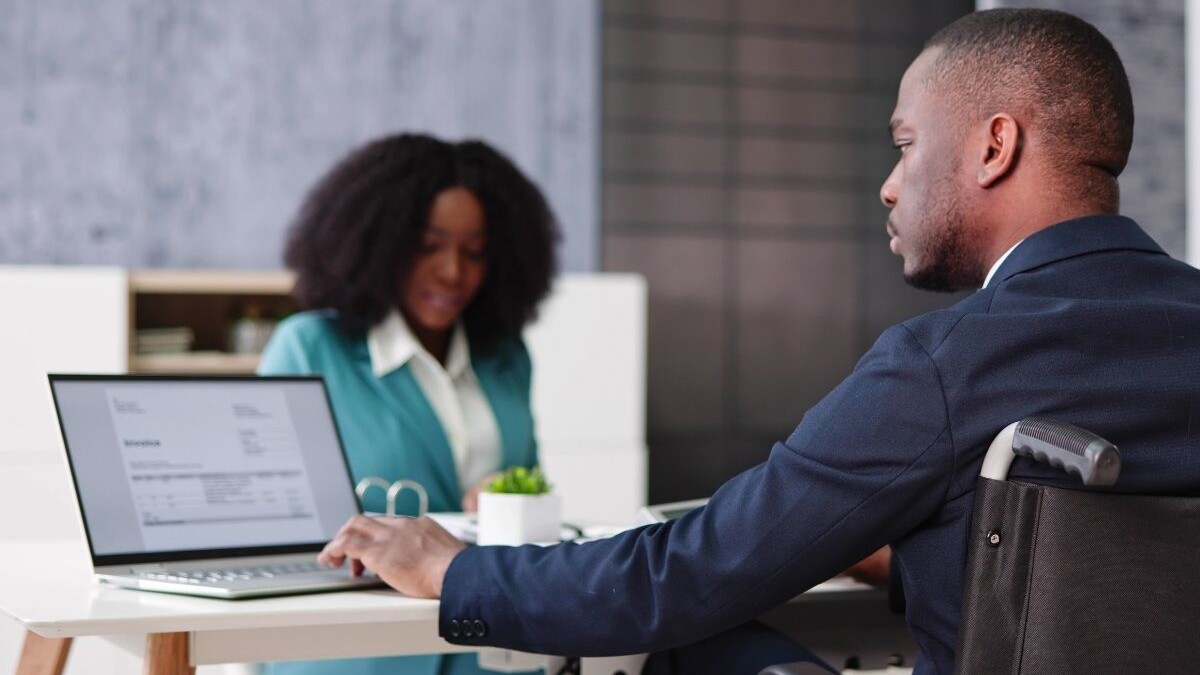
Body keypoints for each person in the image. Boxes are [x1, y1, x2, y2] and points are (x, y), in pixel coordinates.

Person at [315, 9, 1200, 675]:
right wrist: (922, 553)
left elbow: (684, 576)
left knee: (700, 645)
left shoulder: (946, 364)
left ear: (993, 145)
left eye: (904, 144)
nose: (891, 187)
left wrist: (456, 569)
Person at [258, 132, 557, 675]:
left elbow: (532, 492)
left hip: (491, 650)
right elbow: (266, 523)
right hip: (360, 654)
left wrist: (504, 496)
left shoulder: (506, 357)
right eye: (428, 245)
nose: (452, 271)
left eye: (474, 251)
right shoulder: (309, 348)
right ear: (381, 241)